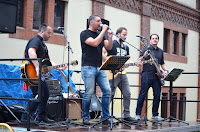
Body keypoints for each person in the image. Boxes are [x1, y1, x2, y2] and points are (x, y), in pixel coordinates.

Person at [21, 23, 67, 124]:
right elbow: (31, 52)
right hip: (32, 72)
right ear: (42, 31)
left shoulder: (42, 44)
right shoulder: (35, 40)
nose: (50, 35)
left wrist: (59, 67)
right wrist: (37, 67)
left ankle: (41, 116)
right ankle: (25, 117)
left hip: (38, 74)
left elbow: (47, 62)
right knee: (38, 95)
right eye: (49, 33)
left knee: (45, 94)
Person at [80, 15, 113, 125]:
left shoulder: (101, 34)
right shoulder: (84, 34)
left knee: (107, 91)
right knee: (89, 92)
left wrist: (110, 37)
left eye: (101, 21)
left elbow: (108, 47)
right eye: (98, 21)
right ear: (91, 22)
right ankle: (85, 117)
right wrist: (103, 31)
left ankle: (105, 117)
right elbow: (94, 43)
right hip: (88, 67)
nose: (100, 23)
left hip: (100, 67)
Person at [102, 27, 134, 122]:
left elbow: (127, 60)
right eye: (124, 34)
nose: (125, 37)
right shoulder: (112, 44)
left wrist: (134, 63)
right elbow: (103, 54)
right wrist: (110, 64)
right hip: (112, 73)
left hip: (122, 73)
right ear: (118, 34)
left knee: (127, 93)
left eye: (126, 35)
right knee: (110, 94)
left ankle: (126, 115)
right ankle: (105, 115)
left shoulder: (126, 47)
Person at [135, 34, 168, 121]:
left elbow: (162, 63)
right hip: (146, 76)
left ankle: (155, 115)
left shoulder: (160, 51)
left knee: (157, 95)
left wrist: (166, 70)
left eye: (156, 38)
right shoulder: (146, 49)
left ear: (158, 40)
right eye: (153, 38)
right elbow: (139, 61)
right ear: (150, 40)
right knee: (142, 95)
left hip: (157, 76)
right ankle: (138, 114)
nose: (154, 40)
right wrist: (144, 56)